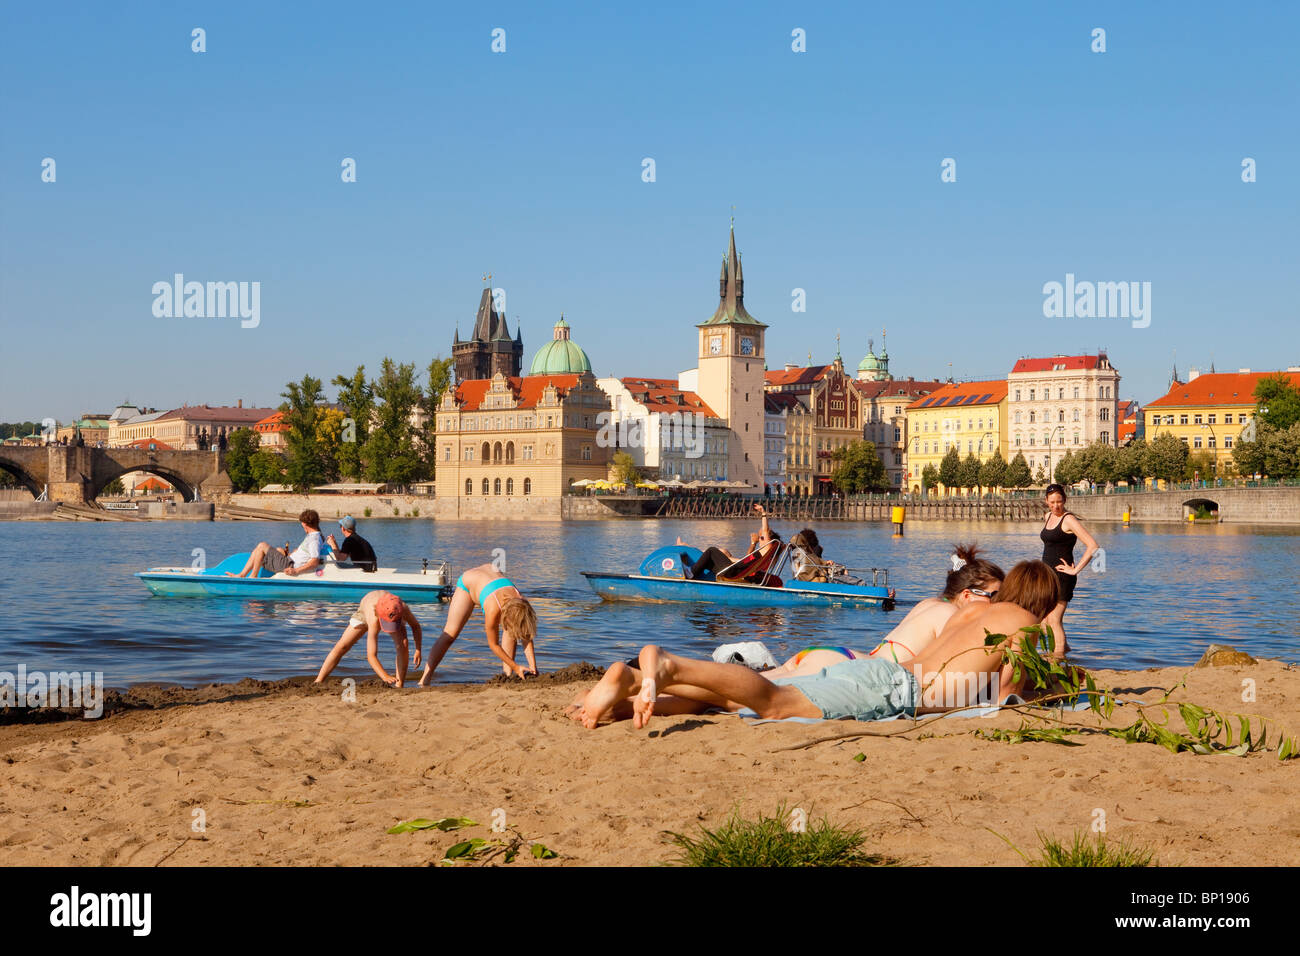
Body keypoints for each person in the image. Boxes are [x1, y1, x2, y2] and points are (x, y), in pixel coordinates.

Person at [574, 561, 1061, 728]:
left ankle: (636, 685)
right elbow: (1009, 696)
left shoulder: (973, 607)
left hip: (876, 673)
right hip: (892, 691)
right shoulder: (1023, 623)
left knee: (747, 701)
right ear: (1041, 601)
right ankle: (670, 665)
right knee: (774, 703)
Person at [418, 563, 538, 683]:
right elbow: (494, 645)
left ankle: (507, 675)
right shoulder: (493, 609)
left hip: (490, 574)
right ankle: (425, 678)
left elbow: (525, 634)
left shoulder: (522, 604)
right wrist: (516, 666)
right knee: (450, 633)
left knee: (513, 629)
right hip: (469, 583)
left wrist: (533, 668)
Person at [314, 590, 422, 687]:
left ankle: (400, 684)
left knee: (403, 645)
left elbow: (415, 626)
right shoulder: (373, 618)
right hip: (365, 612)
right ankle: (318, 680)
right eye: (386, 623)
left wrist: (418, 650)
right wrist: (384, 676)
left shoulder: (402, 608)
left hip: (392, 613)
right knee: (342, 646)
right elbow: (371, 655)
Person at [1040, 483, 1099, 657]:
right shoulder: (1047, 516)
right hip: (1047, 575)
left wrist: (1075, 570)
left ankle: (1058, 659)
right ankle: (1064, 651)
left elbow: (1093, 546)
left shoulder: (1069, 519)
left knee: (1054, 620)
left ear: (1064, 500)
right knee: (1044, 621)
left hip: (1063, 576)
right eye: (1052, 502)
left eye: (1059, 501)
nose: (1056, 505)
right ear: (1046, 501)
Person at [678, 505, 782, 583]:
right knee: (710, 561)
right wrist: (753, 543)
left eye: (762, 537)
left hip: (733, 572)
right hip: (735, 570)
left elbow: (765, 529)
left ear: (769, 541)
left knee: (711, 550)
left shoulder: (767, 548)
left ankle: (691, 572)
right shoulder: (765, 554)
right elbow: (746, 560)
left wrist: (763, 513)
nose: (760, 539)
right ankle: (695, 576)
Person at [225, 509, 324, 578]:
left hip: (290, 565)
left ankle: (253, 576)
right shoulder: (312, 536)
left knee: (262, 546)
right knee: (263, 550)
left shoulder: (314, 539)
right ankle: (242, 575)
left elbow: (314, 561)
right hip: (289, 560)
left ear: (304, 524)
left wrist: (296, 571)